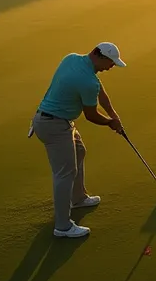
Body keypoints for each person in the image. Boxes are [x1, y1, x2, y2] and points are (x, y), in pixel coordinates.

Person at [30, 42, 127, 238]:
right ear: (100, 56)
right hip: (54, 126)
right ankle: (63, 226)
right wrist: (110, 123)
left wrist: (113, 114)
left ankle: (78, 198)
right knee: (65, 173)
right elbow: (91, 115)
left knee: (79, 151)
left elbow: (100, 92)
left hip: (57, 121)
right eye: (111, 63)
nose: (111, 67)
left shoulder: (72, 58)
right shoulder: (87, 81)